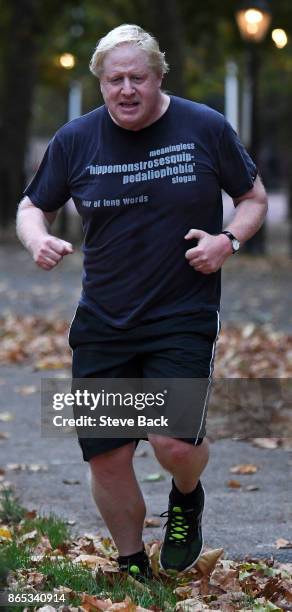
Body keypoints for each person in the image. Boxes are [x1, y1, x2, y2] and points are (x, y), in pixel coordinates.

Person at [16, 23, 268, 579]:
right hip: (103, 319)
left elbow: (252, 196)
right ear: (100, 84)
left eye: (137, 78)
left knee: (172, 444)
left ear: (158, 78)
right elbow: (33, 206)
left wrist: (229, 240)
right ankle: (133, 564)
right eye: (114, 80)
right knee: (107, 455)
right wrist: (39, 239)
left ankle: (186, 496)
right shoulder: (76, 139)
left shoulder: (204, 126)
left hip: (182, 313)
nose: (126, 90)